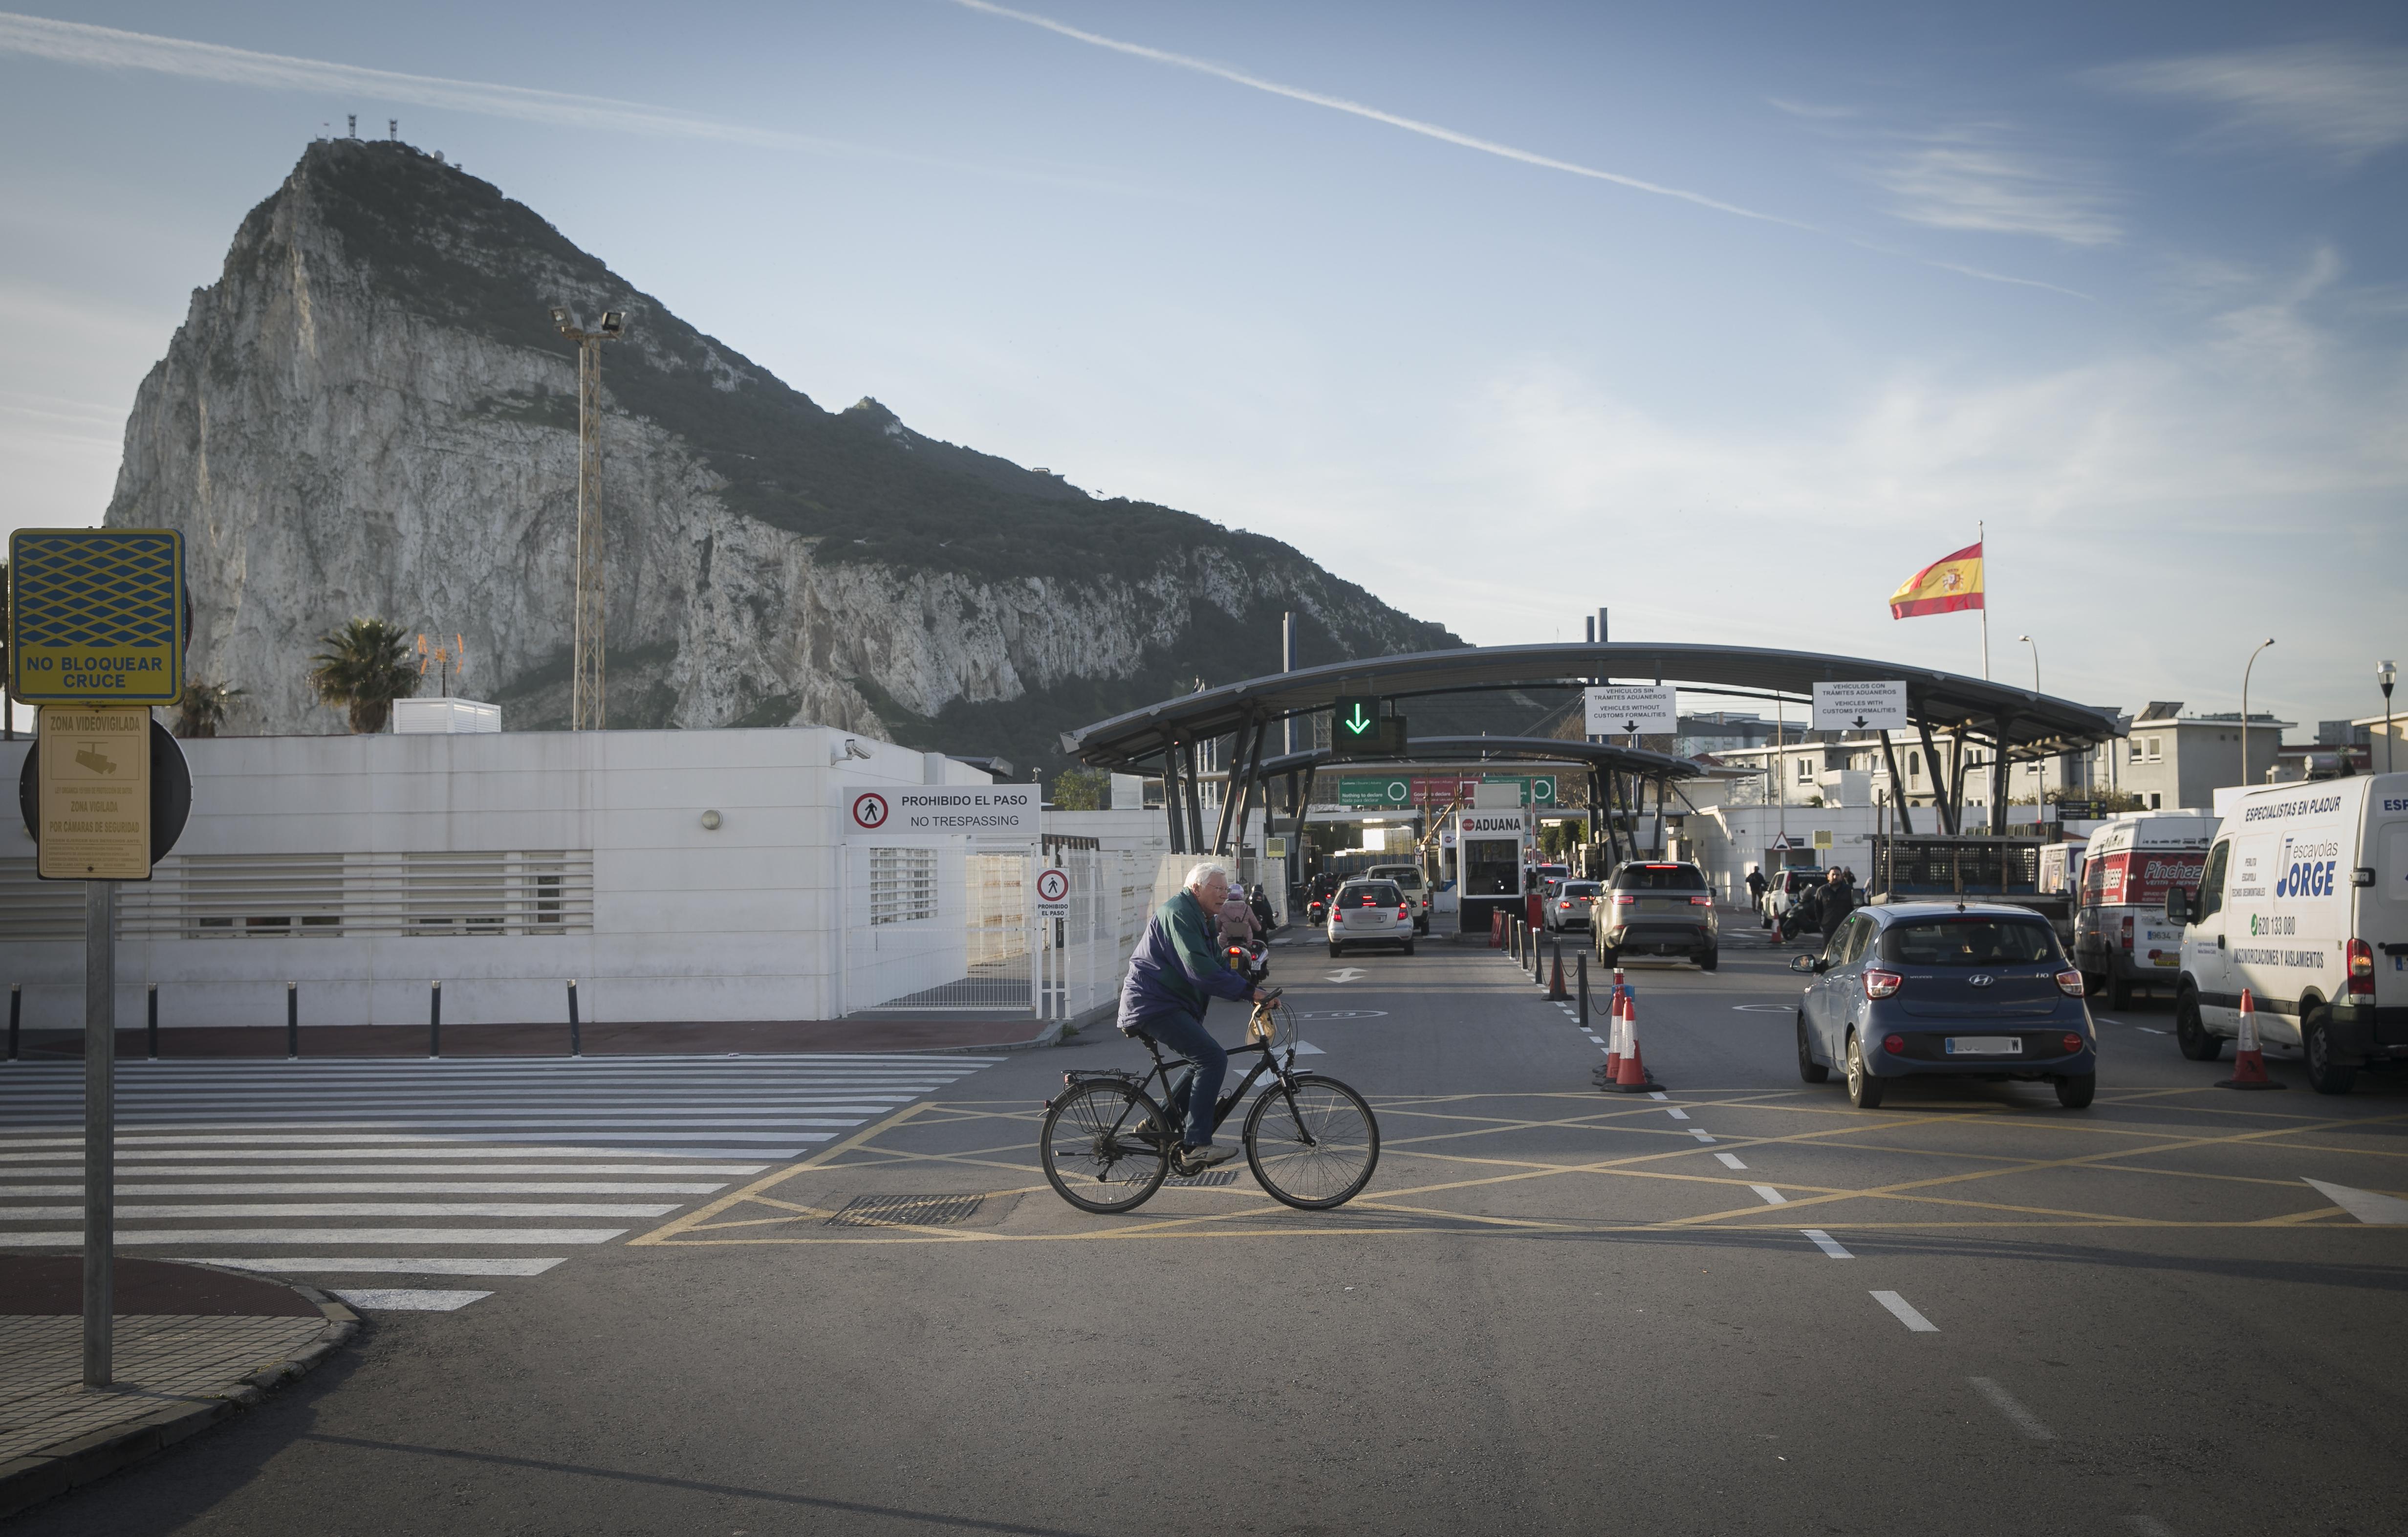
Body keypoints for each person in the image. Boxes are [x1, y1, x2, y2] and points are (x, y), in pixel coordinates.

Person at [1118, 861, 1266, 1171]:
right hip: (1153, 1004)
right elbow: (1199, 969)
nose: (1224, 896)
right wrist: (1248, 993)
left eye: (1227, 890)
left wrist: (1249, 988)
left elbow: (1217, 964)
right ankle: (1196, 1145)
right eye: (1218, 889)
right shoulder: (1180, 913)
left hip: (1166, 1003)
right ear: (1196, 888)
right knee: (1212, 1059)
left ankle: (1157, 1124)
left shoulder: (1202, 916)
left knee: (1204, 1059)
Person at [1820, 868, 1857, 943]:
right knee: (1826, 951)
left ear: (1841, 876)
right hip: (1828, 929)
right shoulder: (1822, 891)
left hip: (1846, 928)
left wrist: (1852, 923)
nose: (1835, 877)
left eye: (1837, 875)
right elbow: (1818, 910)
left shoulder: (1849, 890)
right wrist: (1823, 924)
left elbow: (1855, 908)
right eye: (1833, 875)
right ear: (1828, 877)